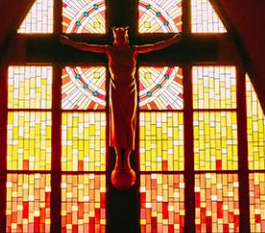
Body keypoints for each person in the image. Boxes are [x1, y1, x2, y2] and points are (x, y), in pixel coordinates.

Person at [61, 26, 181, 189]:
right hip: (116, 89)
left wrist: (172, 41)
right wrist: (70, 43)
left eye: (122, 37)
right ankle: (119, 159)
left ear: (126, 38)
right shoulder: (108, 50)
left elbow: (154, 46)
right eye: (118, 37)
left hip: (130, 88)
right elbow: (87, 46)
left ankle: (127, 159)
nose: (120, 40)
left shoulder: (134, 51)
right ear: (114, 38)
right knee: (116, 124)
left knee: (129, 123)